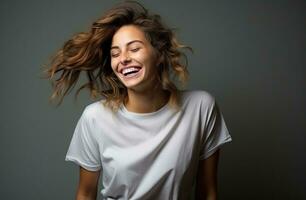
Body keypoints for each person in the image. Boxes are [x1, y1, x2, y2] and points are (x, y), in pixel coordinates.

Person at [45, 1, 232, 199]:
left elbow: (208, 191)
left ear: (159, 54)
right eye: (115, 54)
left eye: (134, 49)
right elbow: (85, 194)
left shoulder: (201, 108)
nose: (123, 58)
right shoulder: (95, 118)